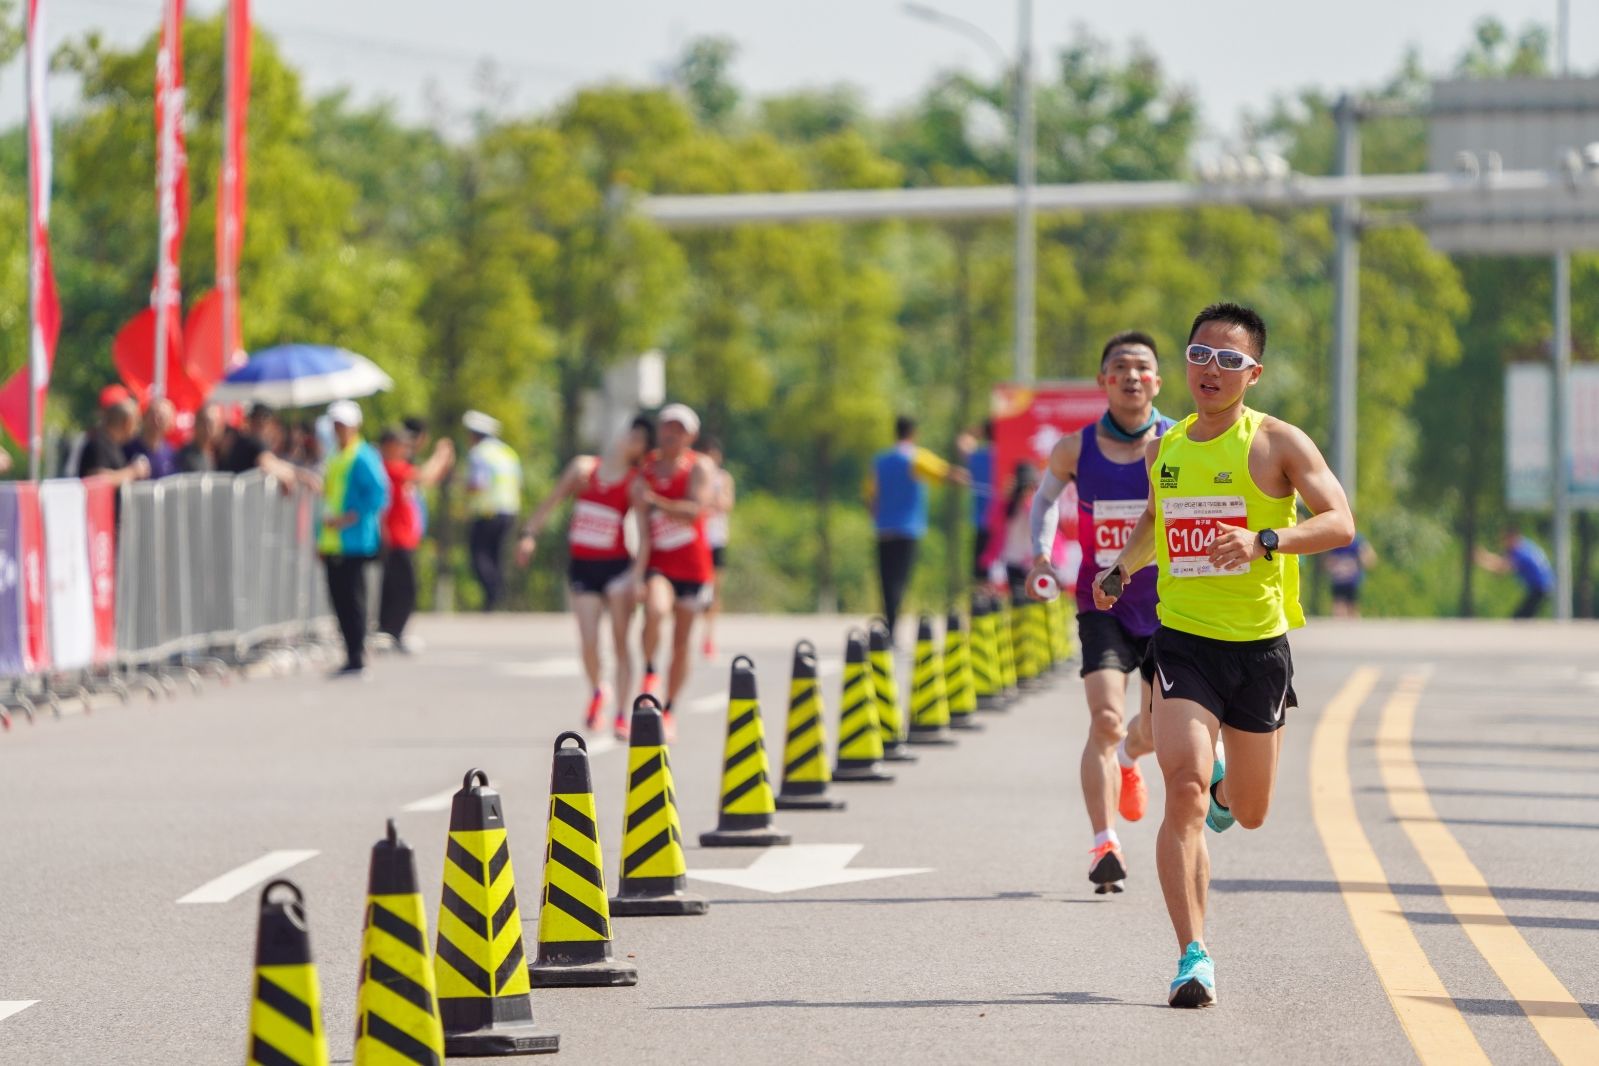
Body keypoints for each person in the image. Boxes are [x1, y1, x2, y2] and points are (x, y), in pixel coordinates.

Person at [1093, 302, 1354, 1008]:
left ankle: (1223, 790)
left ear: (1253, 373)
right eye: (1200, 355)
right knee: (1179, 791)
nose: (1211, 371)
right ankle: (1191, 955)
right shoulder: (1165, 446)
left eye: (1229, 361)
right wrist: (1121, 569)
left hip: (1259, 650)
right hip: (1183, 642)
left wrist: (1265, 540)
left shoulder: (1276, 444)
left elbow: (1339, 522)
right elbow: (1155, 518)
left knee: (1250, 808)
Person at [1026, 330, 1173, 895]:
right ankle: (1104, 843)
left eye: (1142, 368)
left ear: (1157, 382)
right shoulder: (1074, 449)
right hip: (1102, 603)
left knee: (1155, 733)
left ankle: (1134, 759)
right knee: (1107, 721)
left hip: (1167, 607)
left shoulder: (1177, 442)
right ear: (1103, 381)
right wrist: (1041, 551)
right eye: (1120, 367)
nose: (1132, 376)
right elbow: (1042, 501)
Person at [517, 416, 655, 735]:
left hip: (617, 568)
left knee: (620, 642)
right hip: (583, 566)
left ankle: (623, 712)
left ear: (641, 450)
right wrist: (529, 534)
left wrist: (636, 576)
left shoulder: (634, 482)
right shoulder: (583, 470)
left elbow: (645, 534)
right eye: (630, 433)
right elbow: (551, 501)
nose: (630, 440)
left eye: (638, 439)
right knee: (589, 641)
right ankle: (598, 690)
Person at [633, 403, 716, 738]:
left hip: (694, 567)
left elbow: (695, 510)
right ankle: (650, 668)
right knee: (655, 609)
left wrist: (657, 502)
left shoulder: (699, 467)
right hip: (659, 564)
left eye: (679, 429)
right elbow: (637, 514)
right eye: (667, 426)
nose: (671, 433)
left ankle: (670, 708)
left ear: (690, 435)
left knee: (682, 643)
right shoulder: (647, 466)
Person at [866, 416, 969, 642]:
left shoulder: (880, 461)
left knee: (886, 579)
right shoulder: (916, 458)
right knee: (900, 580)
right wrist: (965, 476)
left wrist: (878, 517)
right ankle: (893, 627)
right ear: (913, 433)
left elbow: (870, 497)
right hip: (907, 529)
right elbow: (944, 472)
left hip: (884, 529)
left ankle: (889, 624)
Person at [318, 400, 390, 678]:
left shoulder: (363, 455)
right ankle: (350, 653)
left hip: (355, 540)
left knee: (354, 600)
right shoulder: (336, 454)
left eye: (343, 425)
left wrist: (349, 518)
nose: (339, 430)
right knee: (339, 600)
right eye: (336, 424)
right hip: (334, 540)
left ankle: (357, 655)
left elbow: (378, 495)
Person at [378, 426, 454, 652]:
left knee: (401, 588)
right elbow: (424, 476)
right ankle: (391, 631)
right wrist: (440, 455)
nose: (405, 450)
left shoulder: (399, 468)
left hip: (404, 538)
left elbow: (428, 479)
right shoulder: (391, 468)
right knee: (402, 588)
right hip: (395, 538)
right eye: (401, 445)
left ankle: (393, 632)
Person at [463, 410, 522, 611]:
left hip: (487, 511)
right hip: (509, 511)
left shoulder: (479, 453)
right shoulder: (507, 452)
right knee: (496, 555)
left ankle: (493, 594)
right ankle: (496, 598)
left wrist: (462, 487)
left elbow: (478, 484)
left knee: (479, 555)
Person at [979, 463, 1041, 600]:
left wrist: (1027, 500)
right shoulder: (1006, 505)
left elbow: (1038, 523)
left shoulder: (1037, 503)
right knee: (1016, 599)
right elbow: (991, 523)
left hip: (1034, 561)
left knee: (1035, 601)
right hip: (1012, 561)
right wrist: (1004, 498)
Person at [700, 437, 735, 659]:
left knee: (715, 591)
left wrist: (713, 494)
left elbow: (726, 504)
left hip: (716, 539)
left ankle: (709, 636)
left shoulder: (723, 479)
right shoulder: (694, 476)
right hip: (697, 539)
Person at [1475, 528, 1555, 619]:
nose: (1503, 543)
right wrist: (1485, 556)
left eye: (1505, 540)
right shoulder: (1525, 545)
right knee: (1523, 617)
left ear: (1512, 538)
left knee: (1519, 619)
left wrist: (1481, 559)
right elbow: (1503, 561)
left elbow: (1501, 568)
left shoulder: (1520, 552)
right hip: (1544, 587)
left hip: (1540, 588)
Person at [77, 399, 150, 484]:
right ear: (128, 422)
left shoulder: (113, 444)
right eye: (137, 423)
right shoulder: (98, 444)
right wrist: (133, 472)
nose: (137, 429)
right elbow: (97, 480)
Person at [967, 420, 997, 580]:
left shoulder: (977, 457)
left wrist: (974, 432)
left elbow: (962, 443)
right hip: (1004, 522)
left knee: (981, 570)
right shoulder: (1008, 454)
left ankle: (982, 600)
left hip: (982, 520)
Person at [1324, 532, 1377, 618]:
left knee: (1352, 609)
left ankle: (1354, 630)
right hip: (1338, 581)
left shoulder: (1358, 541)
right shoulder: (1335, 540)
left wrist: (1362, 561)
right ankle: (1338, 629)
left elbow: (1371, 558)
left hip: (1352, 581)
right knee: (1338, 609)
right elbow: (1327, 560)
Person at [124, 397, 179, 479]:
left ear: (171, 424)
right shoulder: (127, 448)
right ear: (144, 417)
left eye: (162, 418)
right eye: (153, 415)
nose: (156, 421)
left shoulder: (172, 455)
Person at [177, 403, 224, 473]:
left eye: (212, 423)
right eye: (204, 423)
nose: (207, 428)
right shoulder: (186, 456)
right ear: (196, 424)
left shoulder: (222, 455)